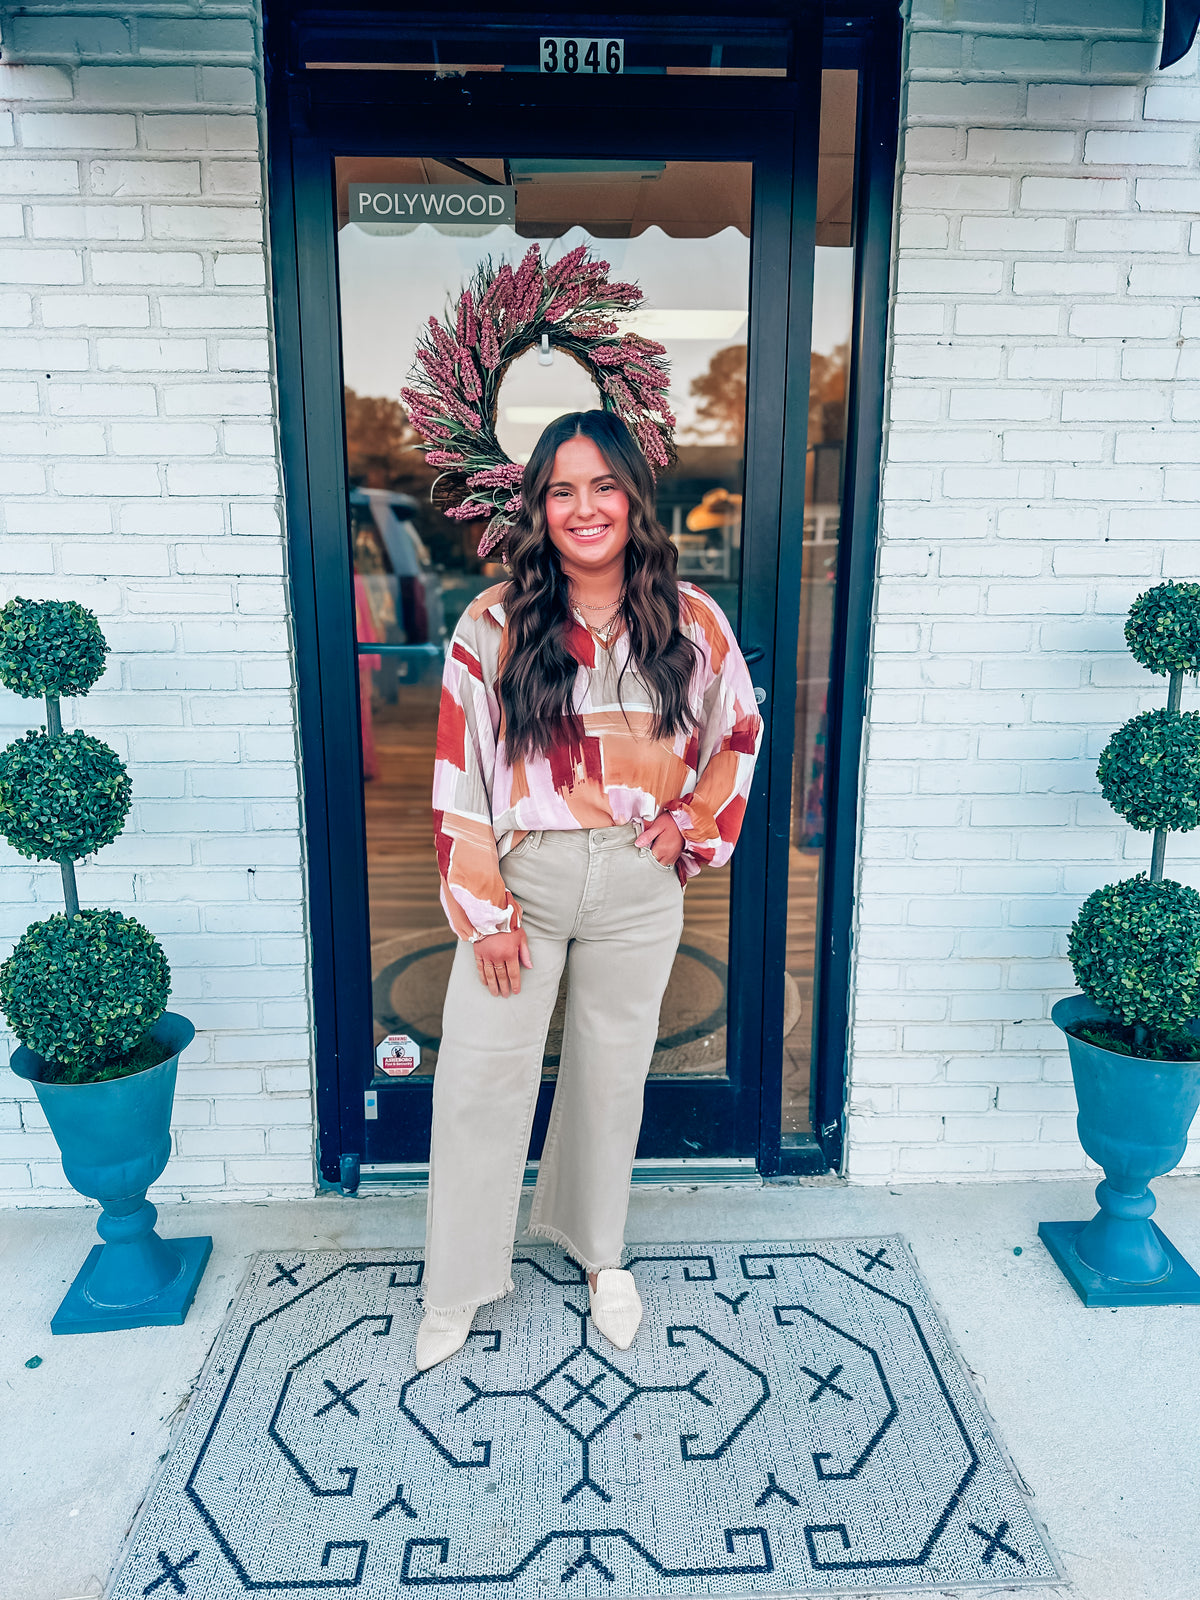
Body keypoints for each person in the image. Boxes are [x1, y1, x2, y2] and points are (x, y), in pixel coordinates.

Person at [418, 409, 762, 1371]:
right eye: (562, 490)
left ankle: (598, 1251)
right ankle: (458, 1283)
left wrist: (688, 827)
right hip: (524, 878)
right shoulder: (493, 622)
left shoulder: (690, 621)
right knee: (482, 1079)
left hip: (641, 882)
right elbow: (461, 772)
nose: (584, 508)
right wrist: (484, 912)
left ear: (634, 500)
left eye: (602, 486)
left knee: (613, 1077)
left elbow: (737, 735)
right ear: (539, 507)